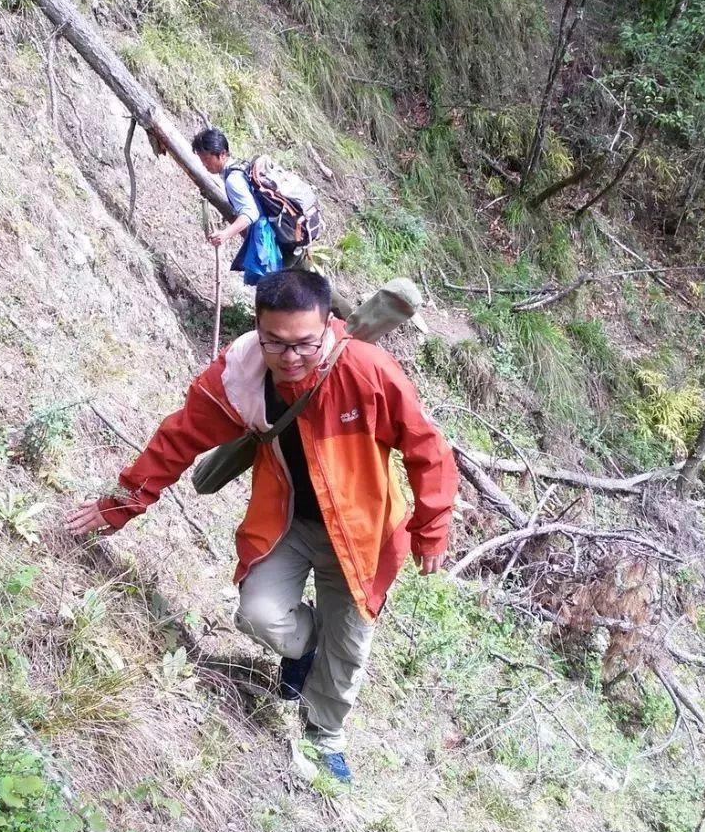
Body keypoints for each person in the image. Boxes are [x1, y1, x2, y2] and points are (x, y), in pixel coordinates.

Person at [63, 268, 458, 783]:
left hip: (364, 536)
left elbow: (425, 447)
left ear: (329, 327)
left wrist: (432, 526)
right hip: (287, 521)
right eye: (276, 343)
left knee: (350, 646)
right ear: (258, 327)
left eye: (305, 345)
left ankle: (324, 738)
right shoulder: (241, 375)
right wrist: (121, 503)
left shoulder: (366, 370)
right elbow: (179, 437)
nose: (290, 358)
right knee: (258, 616)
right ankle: (308, 644)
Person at [191, 126, 300, 279]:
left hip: (276, 243)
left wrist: (224, 234)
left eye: (207, 159)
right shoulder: (241, 166)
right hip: (289, 235)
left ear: (222, 154)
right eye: (202, 160)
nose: (204, 164)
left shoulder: (233, 179)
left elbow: (251, 212)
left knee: (275, 292)